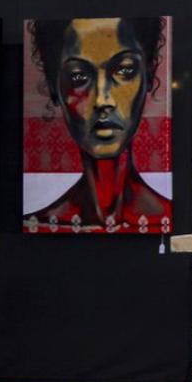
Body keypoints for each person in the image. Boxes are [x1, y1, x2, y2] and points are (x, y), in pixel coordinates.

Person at [24, 17, 170, 233]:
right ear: (54, 88)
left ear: (148, 76)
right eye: (78, 76)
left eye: (124, 70)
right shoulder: (41, 225)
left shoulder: (167, 220)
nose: (103, 100)